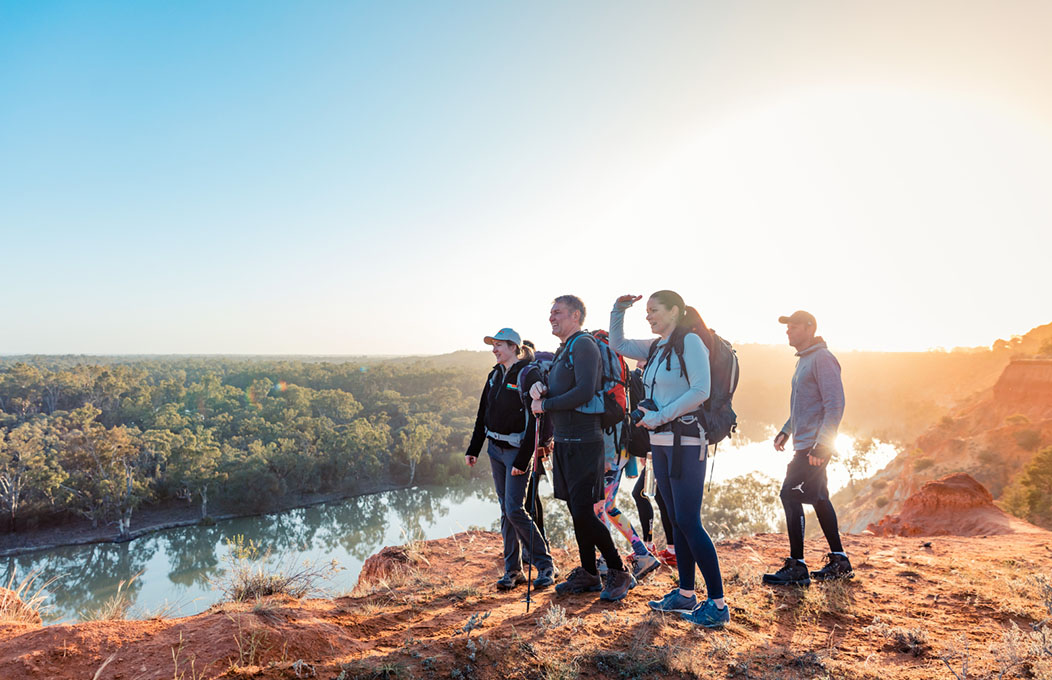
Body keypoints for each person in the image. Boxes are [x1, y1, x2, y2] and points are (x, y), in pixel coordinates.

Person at [610, 290, 729, 628]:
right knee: (675, 520)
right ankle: (686, 594)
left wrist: (660, 416)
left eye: (655, 310)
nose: (648, 316)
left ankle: (718, 605)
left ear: (675, 311)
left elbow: (701, 391)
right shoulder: (657, 346)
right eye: (646, 311)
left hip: (686, 440)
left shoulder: (690, 342)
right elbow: (618, 343)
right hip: (660, 441)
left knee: (689, 520)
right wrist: (618, 310)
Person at [530, 295, 635, 601]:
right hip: (565, 442)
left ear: (575, 315)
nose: (551, 317)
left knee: (584, 513)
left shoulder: (584, 345)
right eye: (550, 312)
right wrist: (541, 388)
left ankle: (618, 571)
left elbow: (585, 391)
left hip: (585, 443)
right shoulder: (565, 350)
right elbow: (563, 389)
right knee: (577, 513)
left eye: (558, 312)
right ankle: (589, 573)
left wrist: (545, 404)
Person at [762, 311, 853, 586]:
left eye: (794, 327)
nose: (788, 331)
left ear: (809, 328)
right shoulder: (804, 359)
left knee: (789, 495)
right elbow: (803, 406)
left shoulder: (822, 358)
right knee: (820, 498)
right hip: (806, 443)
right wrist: (786, 430)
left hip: (814, 447)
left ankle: (797, 566)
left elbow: (834, 404)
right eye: (787, 327)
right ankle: (840, 562)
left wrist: (822, 445)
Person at [466, 328, 556, 590]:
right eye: (493, 345)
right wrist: (474, 448)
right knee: (506, 510)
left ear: (514, 347)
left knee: (515, 509)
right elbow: (483, 413)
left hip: (517, 452)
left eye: (499, 345)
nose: (494, 349)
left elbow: (535, 422)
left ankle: (545, 565)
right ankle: (513, 571)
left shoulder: (528, 374)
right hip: (495, 450)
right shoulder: (495, 375)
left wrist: (523, 460)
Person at [627, 360, 677, 567]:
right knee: (658, 497)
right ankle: (667, 548)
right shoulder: (652, 382)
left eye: (643, 358)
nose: (637, 361)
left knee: (645, 495)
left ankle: (656, 547)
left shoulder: (652, 383)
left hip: (659, 447)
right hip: (656, 448)